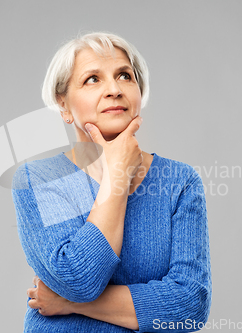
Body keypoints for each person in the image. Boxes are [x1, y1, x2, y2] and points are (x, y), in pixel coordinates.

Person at [11, 31, 211, 332]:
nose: (114, 89)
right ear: (63, 104)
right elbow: (79, 279)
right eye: (93, 79)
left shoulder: (179, 182)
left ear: (139, 93)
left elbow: (189, 305)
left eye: (124, 76)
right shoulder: (38, 180)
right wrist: (117, 175)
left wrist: (68, 303)